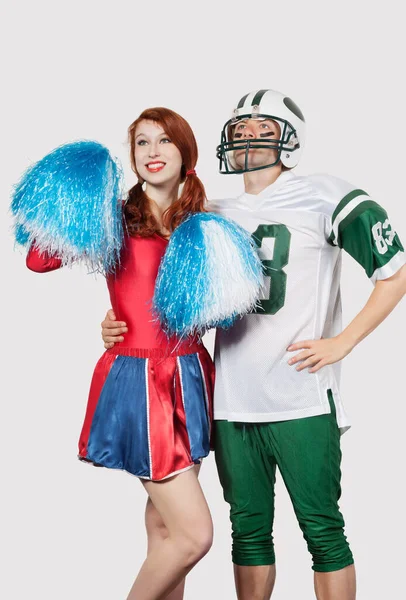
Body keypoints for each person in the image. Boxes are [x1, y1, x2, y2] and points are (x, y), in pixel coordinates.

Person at [101, 90, 406, 600]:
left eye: (262, 128)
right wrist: (114, 321)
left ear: (289, 136)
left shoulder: (327, 194)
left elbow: (394, 272)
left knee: (323, 530)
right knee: (247, 534)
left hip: (300, 395)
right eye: (239, 129)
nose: (248, 138)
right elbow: (148, 279)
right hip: (230, 399)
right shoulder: (205, 209)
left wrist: (344, 342)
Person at [22, 107, 262, 600]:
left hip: (192, 375)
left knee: (167, 529)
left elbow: (228, 309)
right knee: (196, 535)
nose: (153, 152)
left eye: (163, 142)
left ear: (185, 152)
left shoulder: (205, 221)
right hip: (139, 380)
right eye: (142, 143)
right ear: (131, 157)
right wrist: (78, 195)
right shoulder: (113, 218)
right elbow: (38, 258)